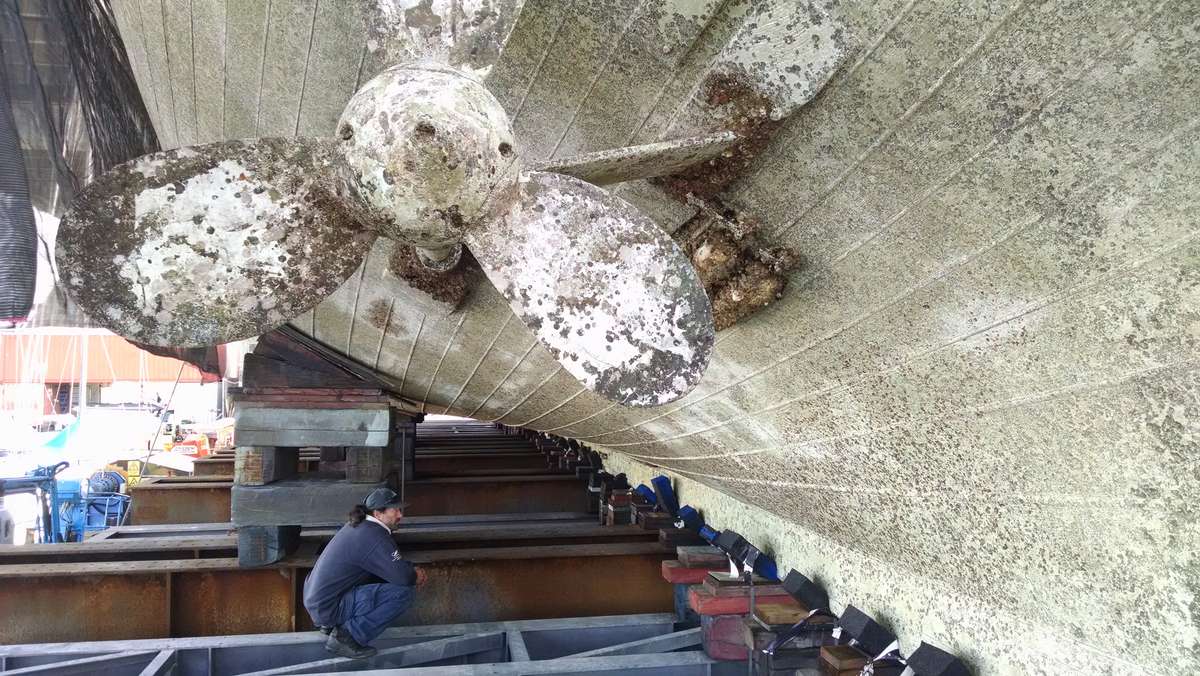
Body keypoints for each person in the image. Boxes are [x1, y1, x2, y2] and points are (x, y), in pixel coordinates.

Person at [302, 487, 427, 658]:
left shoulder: (359, 526)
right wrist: (415, 574)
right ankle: (347, 637)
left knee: (383, 577)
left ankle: (330, 626)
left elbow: (390, 568)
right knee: (404, 592)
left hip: (319, 602)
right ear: (378, 514)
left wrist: (409, 570)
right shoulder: (375, 536)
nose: (400, 515)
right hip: (330, 607)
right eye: (395, 510)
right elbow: (404, 578)